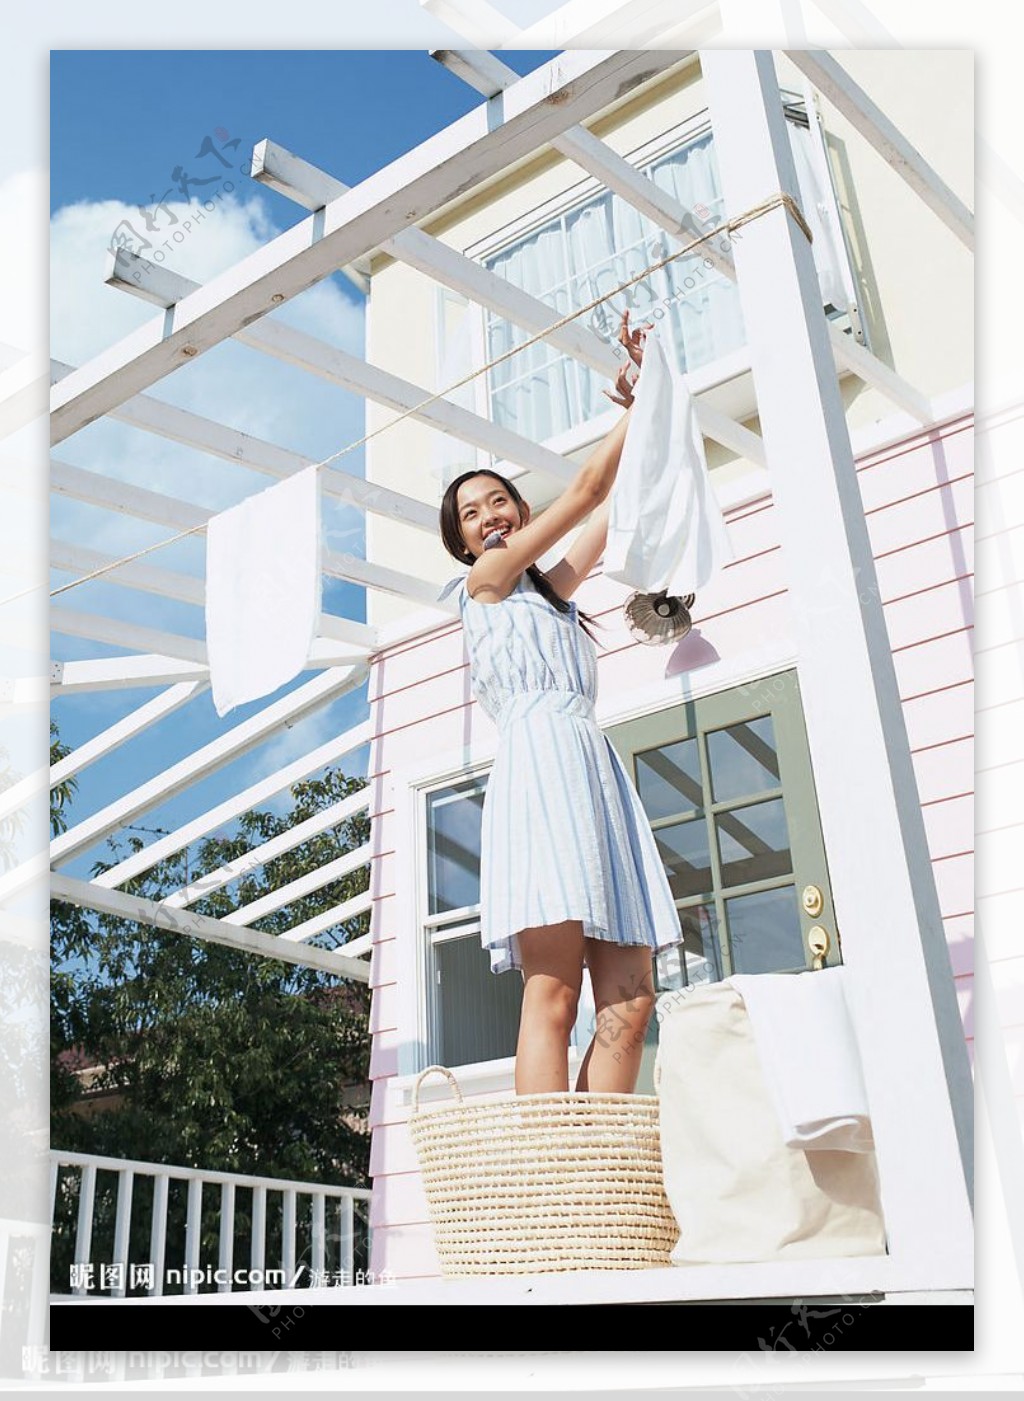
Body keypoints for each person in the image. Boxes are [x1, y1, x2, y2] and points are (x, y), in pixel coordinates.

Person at [438, 311, 684, 1096]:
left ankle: (597, 1168)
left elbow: (617, 502)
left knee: (631, 995)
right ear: (466, 542)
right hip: (542, 771)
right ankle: (549, 1190)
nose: (492, 516)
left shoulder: (551, 595)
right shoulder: (485, 585)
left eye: (498, 500)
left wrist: (647, 404)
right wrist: (636, 407)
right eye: (472, 514)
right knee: (556, 991)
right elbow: (585, 488)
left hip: (591, 769)